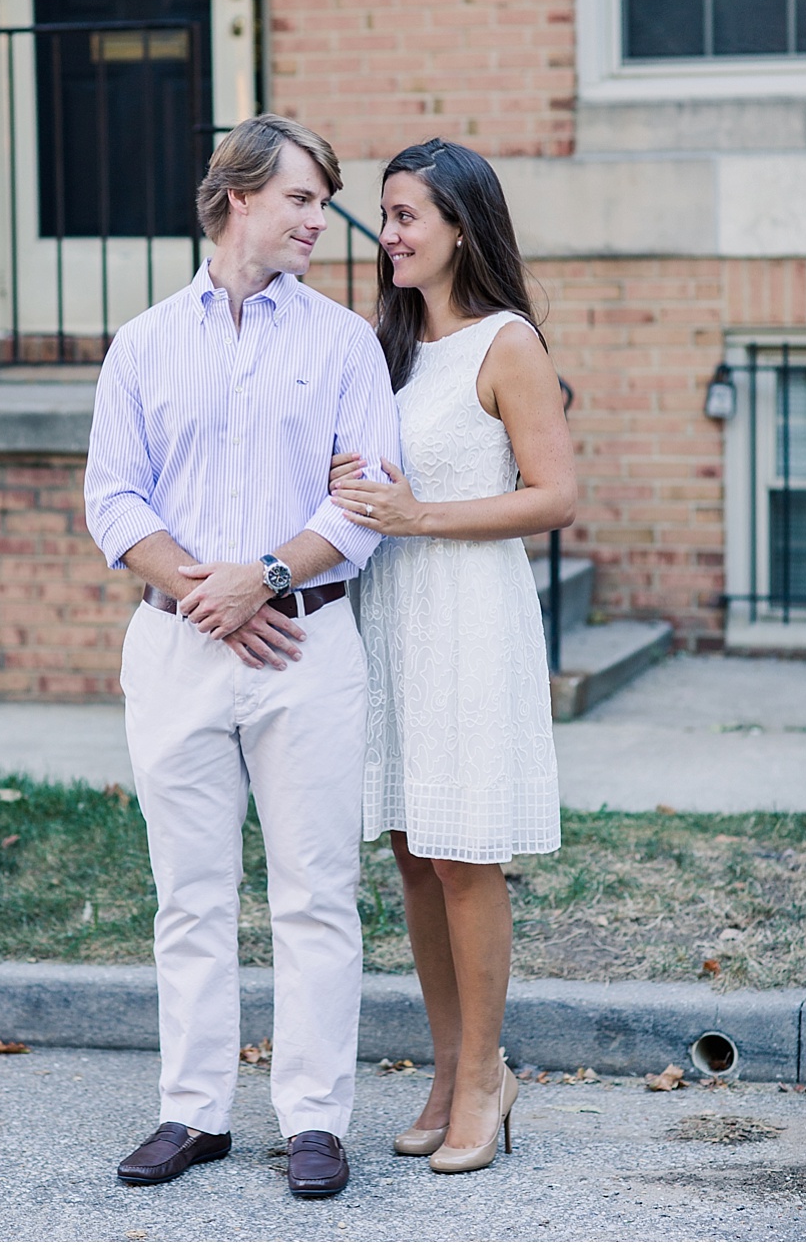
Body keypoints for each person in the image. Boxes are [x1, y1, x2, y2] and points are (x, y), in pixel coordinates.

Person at [84, 115, 400, 1198]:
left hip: (304, 641)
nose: (320, 219)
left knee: (315, 890)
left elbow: (360, 502)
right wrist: (201, 587)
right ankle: (193, 1111)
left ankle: (313, 1117)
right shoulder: (145, 342)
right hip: (176, 647)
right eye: (302, 198)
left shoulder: (344, 342)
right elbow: (114, 496)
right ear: (235, 199)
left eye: (322, 199)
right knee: (190, 892)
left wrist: (259, 573)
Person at [329, 139, 576, 1175]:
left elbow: (555, 494)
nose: (386, 233)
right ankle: (444, 1066)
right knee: (411, 850)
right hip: (388, 612)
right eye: (383, 215)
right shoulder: (382, 346)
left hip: (468, 614)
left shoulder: (504, 342)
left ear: (460, 227)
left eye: (403, 215)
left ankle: (486, 1073)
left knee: (465, 854)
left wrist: (419, 512)